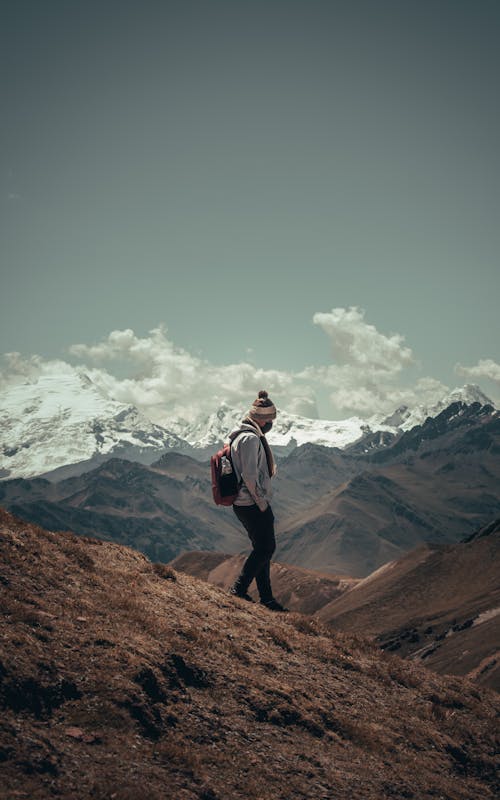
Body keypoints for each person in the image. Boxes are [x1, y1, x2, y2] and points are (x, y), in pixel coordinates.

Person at [228, 390, 287, 612]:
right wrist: (262, 502)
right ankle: (239, 589)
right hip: (251, 503)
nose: (271, 423)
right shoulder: (250, 439)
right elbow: (250, 476)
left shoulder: (241, 435)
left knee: (262, 548)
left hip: (244, 502)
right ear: (261, 419)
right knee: (265, 548)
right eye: (270, 420)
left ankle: (267, 597)